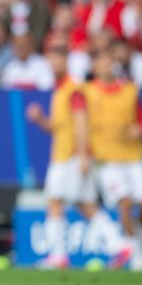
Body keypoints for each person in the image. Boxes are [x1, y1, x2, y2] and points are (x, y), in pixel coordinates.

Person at [26, 48, 121, 268]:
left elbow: (80, 122)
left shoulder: (73, 89)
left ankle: (58, 256)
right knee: (85, 205)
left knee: (54, 201)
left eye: (57, 59)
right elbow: (58, 127)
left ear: (66, 61)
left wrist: (82, 155)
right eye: (50, 60)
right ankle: (119, 244)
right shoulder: (60, 91)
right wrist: (40, 119)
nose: (53, 64)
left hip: (69, 156)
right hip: (67, 153)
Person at [86, 51, 142, 270]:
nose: (107, 67)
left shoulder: (129, 90)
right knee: (124, 202)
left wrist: (141, 129)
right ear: (95, 69)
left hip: (133, 155)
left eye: (109, 62)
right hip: (107, 159)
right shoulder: (88, 93)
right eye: (102, 62)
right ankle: (134, 251)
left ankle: (140, 238)